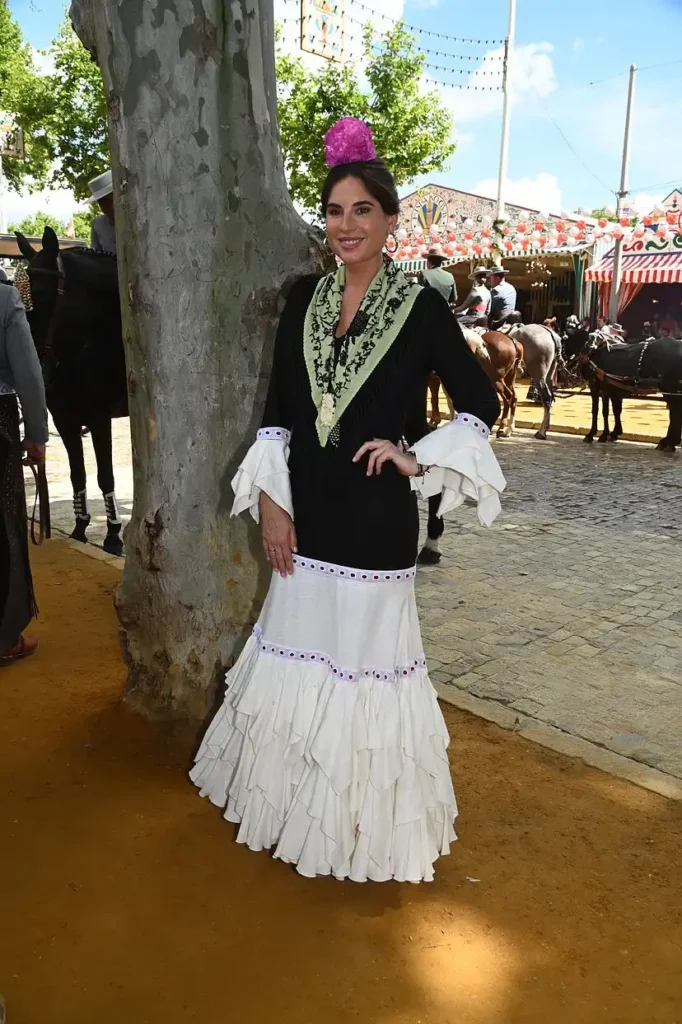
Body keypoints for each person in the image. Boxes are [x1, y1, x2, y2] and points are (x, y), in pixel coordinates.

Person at [190, 117, 504, 883]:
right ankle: (293, 818)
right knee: (299, 666)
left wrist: (413, 453)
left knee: (364, 679)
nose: (346, 225)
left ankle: (362, 838)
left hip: (375, 528)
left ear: (391, 221)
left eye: (363, 210)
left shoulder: (422, 305)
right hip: (305, 520)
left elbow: (480, 404)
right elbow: (276, 414)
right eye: (334, 210)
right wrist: (271, 504)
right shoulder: (301, 298)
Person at [0, 281, 48, 664]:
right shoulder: (4, 297)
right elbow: (28, 373)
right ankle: (5, 638)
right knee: (6, 527)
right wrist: (35, 433)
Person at [88, 170, 117, 254]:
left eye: (109, 201)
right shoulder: (97, 225)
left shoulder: (136, 220)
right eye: (101, 203)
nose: (106, 207)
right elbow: (96, 255)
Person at [488, 264, 517, 330]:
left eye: (491, 278)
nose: (490, 280)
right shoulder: (511, 287)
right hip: (510, 319)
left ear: (497, 278)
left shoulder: (496, 290)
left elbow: (490, 308)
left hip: (499, 322)